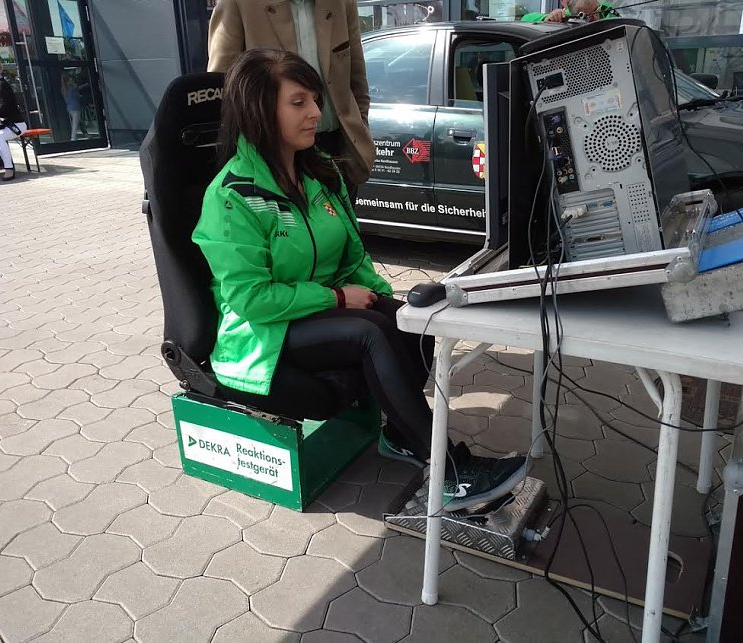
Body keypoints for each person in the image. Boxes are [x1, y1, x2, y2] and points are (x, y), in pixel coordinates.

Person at [193, 49, 527, 511]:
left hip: (310, 310)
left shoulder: (317, 175)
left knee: (411, 320)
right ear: (258, 110)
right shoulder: (232, 198)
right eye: (298, 102)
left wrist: (386, 303)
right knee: (369, 333)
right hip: (259, 334)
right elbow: (252, 300)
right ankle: (449, 472)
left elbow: (352, 257)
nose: (316, 112)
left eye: (315, 99)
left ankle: (403, 434)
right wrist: (336, 298)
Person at [206, 0, 374, 201]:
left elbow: (357, 79)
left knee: (342, 220)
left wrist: (361, 125)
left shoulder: (341, 3)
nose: (315, 111)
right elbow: (222, 89)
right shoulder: (239, 4)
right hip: (274, 155)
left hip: (338, 148)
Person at [521, 0, 616, 23]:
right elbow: (525, 19)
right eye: (589, 16)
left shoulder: (608, 9)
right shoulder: (566, 17)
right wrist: (547, 18)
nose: (596, 17)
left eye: (597, 10)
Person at [61, 73, 81, 141]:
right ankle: (73, 137)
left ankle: (77, 135)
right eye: (70, 78)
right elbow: (77, 96)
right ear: (68, 80)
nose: (72, 79)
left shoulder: (63, 89)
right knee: (75, 123)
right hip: (75, 107)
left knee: (76, 121)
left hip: (69, 107)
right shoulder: (72, 88)